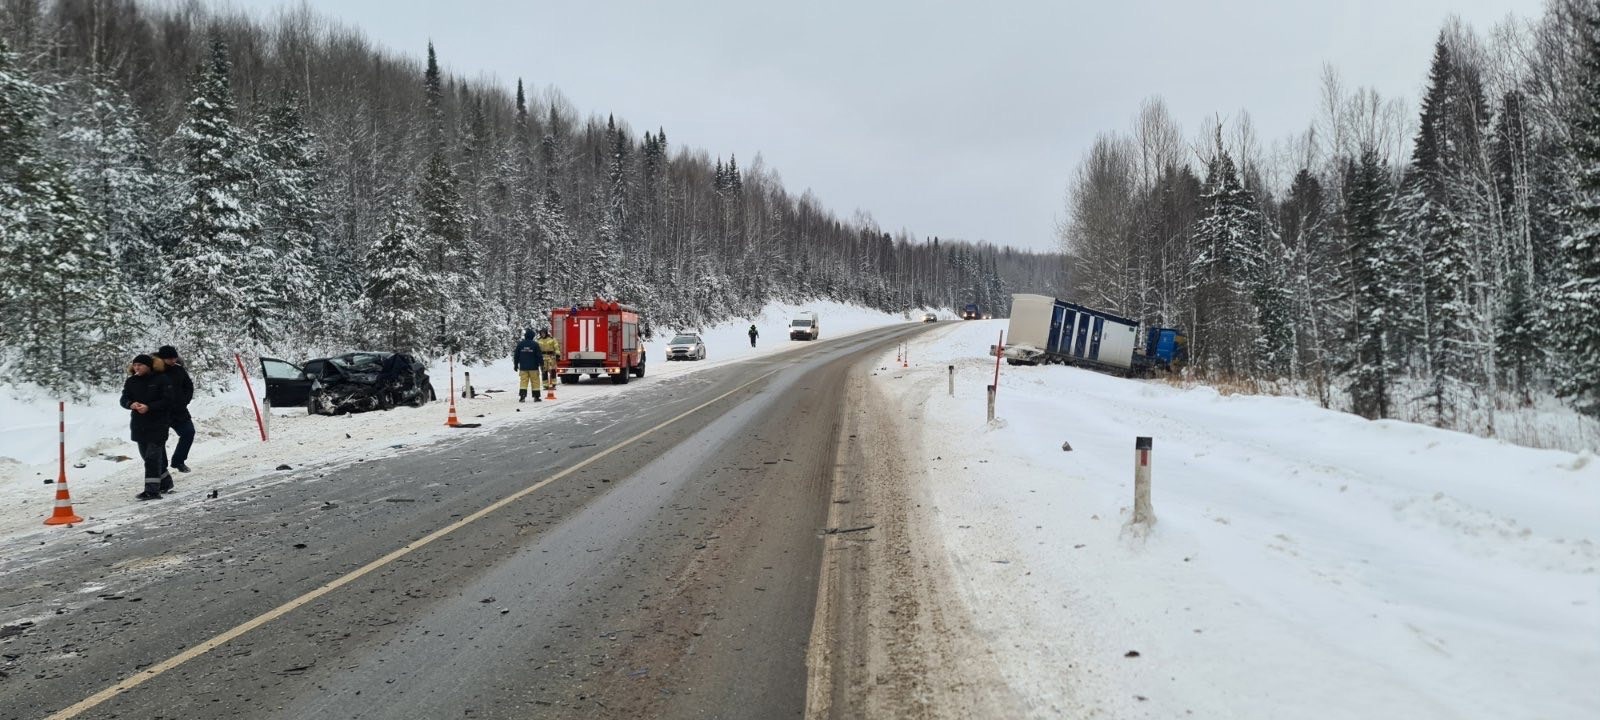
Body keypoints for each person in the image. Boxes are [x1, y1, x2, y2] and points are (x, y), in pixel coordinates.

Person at [120, 354, 173, 501]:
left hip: (158, 424)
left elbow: (168, 400)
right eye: (135, 365)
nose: (137, 368)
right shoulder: (131, 381)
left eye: (140, 365)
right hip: (139, 425)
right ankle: (166, 482)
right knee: (148, 458)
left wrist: (149, 407)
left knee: (151, 458)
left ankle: (151, 491)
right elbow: (123, 398)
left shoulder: (161, 379)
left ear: (148, 366)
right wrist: (130, 404)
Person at [155, 346, 194, 477]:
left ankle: (178, 461)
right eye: (169, 358)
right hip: (161, 413)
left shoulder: (179, 369)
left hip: (179, 410)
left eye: (174, 357)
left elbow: (188, 386)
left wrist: (184, 401)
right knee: (160, 441)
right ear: (162, 358)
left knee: (189, 432)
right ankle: (163, 468)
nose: (173, 360)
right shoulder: (154, 372)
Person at [514, 329, 544, 403]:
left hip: (523, 368)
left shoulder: (520, 344)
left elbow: (516, 355)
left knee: (523, 382)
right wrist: (542, 364)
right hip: (534, 368)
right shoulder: (535, 344)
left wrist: (515, 365)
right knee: (535, 382)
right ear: (532, 336)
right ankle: (536, 397)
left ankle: (522, 397)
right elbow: (539, 356)